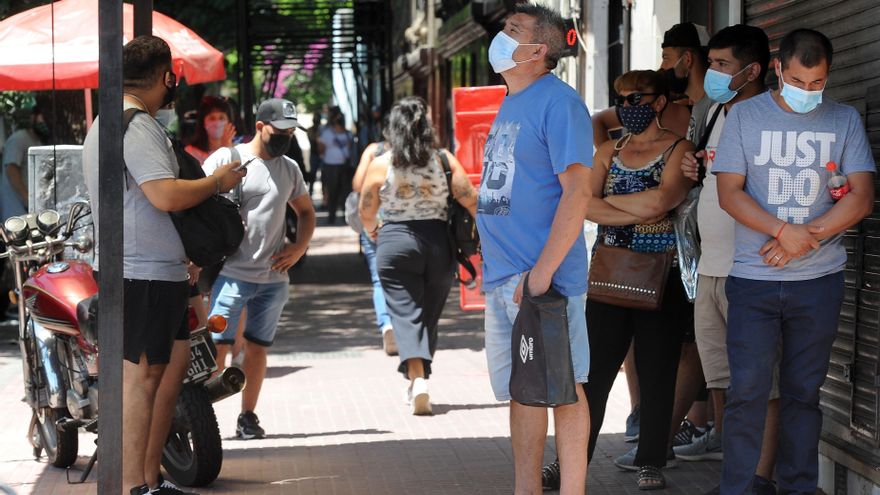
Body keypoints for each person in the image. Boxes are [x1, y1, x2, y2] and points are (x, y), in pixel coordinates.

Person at [81, 35, 245, 495]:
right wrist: (217, 181)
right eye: (172, 77)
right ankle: (135, 485)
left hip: (157, 270)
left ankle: (148, 480)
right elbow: (164, 194)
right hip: (143, 271)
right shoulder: (136, 125)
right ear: (164, 77)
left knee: (164, 373)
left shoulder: (114, 122)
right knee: (144, 376)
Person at [714, 29, 875, 495]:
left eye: (817, 83)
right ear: (778, 70)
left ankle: (800, 488)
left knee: (804, 396)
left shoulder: (843, 120)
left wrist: (805, 238)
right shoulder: (744, 116)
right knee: (747, 393)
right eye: (799, 81)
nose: (808, 92)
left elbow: (862, 197)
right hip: (753, 280)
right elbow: (729, 193)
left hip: (818, 282)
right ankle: (739, 489)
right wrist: (783, 231)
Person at [476, 5, 593, 494]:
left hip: (543, 280)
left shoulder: (558, 103)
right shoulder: (512, 101)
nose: (502, 37)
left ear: (538, 50)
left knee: (565, 390)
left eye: (513, 31)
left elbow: (578, 192)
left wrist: (542, 273)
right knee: (521, 393)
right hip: (506, 277)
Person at [675, 25, 781, 495]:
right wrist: (691, 168)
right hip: (710, 267)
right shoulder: (711, 110)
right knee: (719, 377)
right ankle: (734, 473)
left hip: (752, 269)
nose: (710, 72)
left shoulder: (773, 117)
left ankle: (759, 477)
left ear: (752, 70)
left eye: (720, 65)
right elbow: (705, 177)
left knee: (762, 382)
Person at [579, 70, 694, 490]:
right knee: (592, 376)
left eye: (637, 98)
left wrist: (608, 202)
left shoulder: (681, 149)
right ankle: (573, 459)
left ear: (660, 101)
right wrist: (637, 209)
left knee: (657, 370)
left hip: (663, 275)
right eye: (621, 98)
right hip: (609, 275)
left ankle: (652, 461)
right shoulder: (608, 150)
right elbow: (584, 206)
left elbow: (665, 200)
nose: (628, 106)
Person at [203, 98, 316, 440]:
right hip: (230, 277)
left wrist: (299, 248)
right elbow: (193, 203)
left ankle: (247, 416)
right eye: (280, 130)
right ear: (260, 126)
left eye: (291, 131)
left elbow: (306, 212)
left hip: (273, 281)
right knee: (216, 349)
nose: (286, 137)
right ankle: (198, 418)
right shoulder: (228, 159)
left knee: (256, 348)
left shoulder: (289, 168)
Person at [359, 96, 476, 414]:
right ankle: (418, 377)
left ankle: (418, 379)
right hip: (438, 243)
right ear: (427, 128)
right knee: (429, 316)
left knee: (406, 315)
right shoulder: (443, 160)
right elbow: (472, 200)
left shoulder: (382, 163)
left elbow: (366, 210)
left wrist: (373, 230)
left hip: (395, 241)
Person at [351, 130, 397, 356]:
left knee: (379, 280)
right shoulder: (418, 152)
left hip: (375, 222)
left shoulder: (374, 151)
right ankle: (407, 328)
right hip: (406, 225)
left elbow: (358, 184)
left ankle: (387, 325)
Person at [1, 106, 47, 219]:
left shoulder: (37, 142)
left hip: (29, 212)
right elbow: (11, 169)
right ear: (33, 119)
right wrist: (28, 199)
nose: (45, 123)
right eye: (43, 119)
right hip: (16, 212)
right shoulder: (19, 139)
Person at [318, 108, 352, 224]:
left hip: (344, 166)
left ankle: (344, 216)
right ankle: (331, 217)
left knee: (345, 192)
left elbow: (350, 148)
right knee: (332, 192)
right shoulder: (327, 133)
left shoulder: (348, 134)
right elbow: (321, 149)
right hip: (330, 166)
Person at [184, 96, 236, 165]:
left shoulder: (238, 150)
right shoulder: (191, 152)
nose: (217, 123)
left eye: (221, 118)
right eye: (212, 118)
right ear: (203, 123)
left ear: (229, 122)